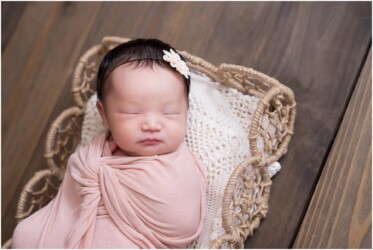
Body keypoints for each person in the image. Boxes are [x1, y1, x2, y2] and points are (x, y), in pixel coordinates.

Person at [12, 38, 206, 248]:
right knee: (26, 233)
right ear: (104, 115)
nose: (151, 124)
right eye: (132, 113)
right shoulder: (96, 153)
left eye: (169, 113)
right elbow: (71, 202)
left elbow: (182, 221)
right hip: (80, 226)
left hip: (132, 239)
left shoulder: (180, 169)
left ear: (186, 111)